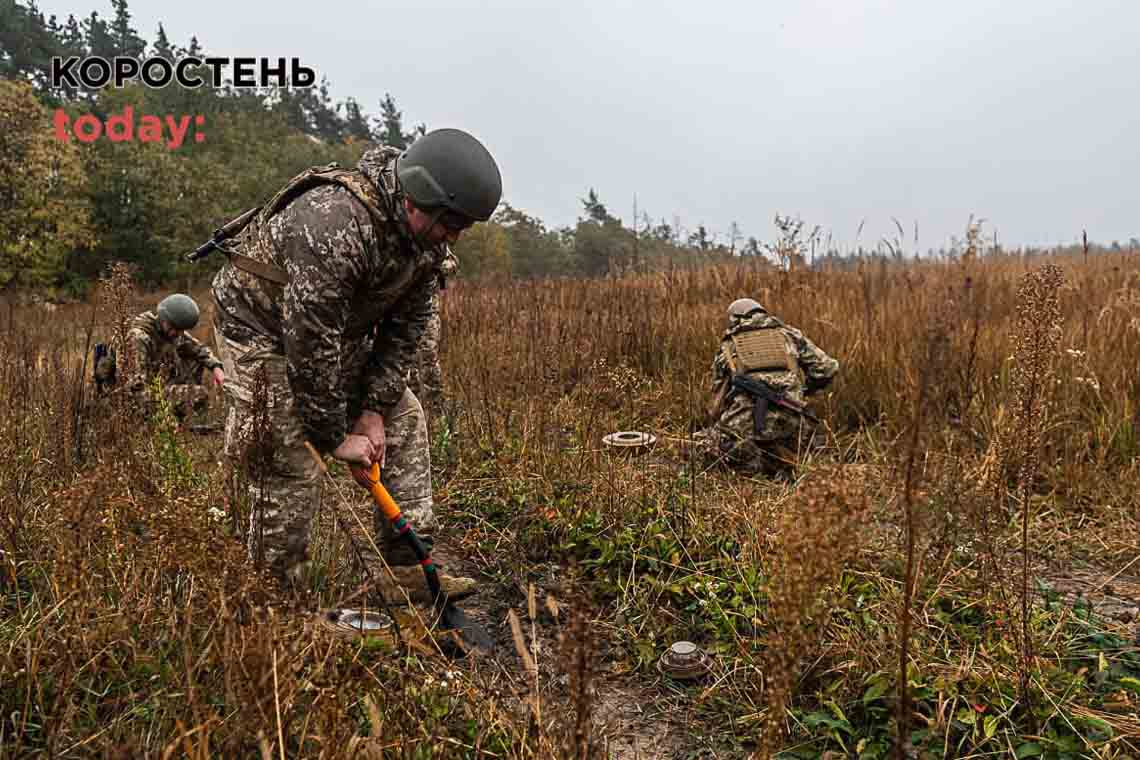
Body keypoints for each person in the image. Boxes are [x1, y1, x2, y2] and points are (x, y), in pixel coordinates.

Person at [210, 128, 501, 598]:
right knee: (287, 440)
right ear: (417, 199)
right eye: (451, 223)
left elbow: (407, 328)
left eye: (463, 226)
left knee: (403, 416)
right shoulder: (333, 223)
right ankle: (274, 599)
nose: (455, 237)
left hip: (327, 328)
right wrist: (332, 437)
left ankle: (407, 571)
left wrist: (372, 411)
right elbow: (310, 341)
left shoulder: (424, 244)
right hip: (258, 328)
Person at [696, 297, 839, 477]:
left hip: (745, 428)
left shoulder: (728, 345)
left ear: (734, 319)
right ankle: (779, 463)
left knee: (703, 443)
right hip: (793, 423)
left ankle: (753, 466)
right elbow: (827, 368)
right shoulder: (790, 334)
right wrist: (806, 391)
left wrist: (715, 423)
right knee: (795, 446)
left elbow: (717, 399)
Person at [94, 293, 225, 420]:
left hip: (151, 385)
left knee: (194, 359)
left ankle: (181, 415)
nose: (178, 334)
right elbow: (133, 390)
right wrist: (182, 395)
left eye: (181, 330)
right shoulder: (138, 338)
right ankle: (173, 418)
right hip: (127, 398)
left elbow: (199, 349)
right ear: (163, 319)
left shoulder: (168, 331)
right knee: (199, 394)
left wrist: (216, 367)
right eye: (175, 328)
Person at [406, 248, 458, 417]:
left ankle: (436, 411)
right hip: (403, 312)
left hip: (429, 312)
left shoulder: (433, 243)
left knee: (429, 358)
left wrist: (434, 266)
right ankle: (413, 410)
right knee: (407, 363)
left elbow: (453, 263)